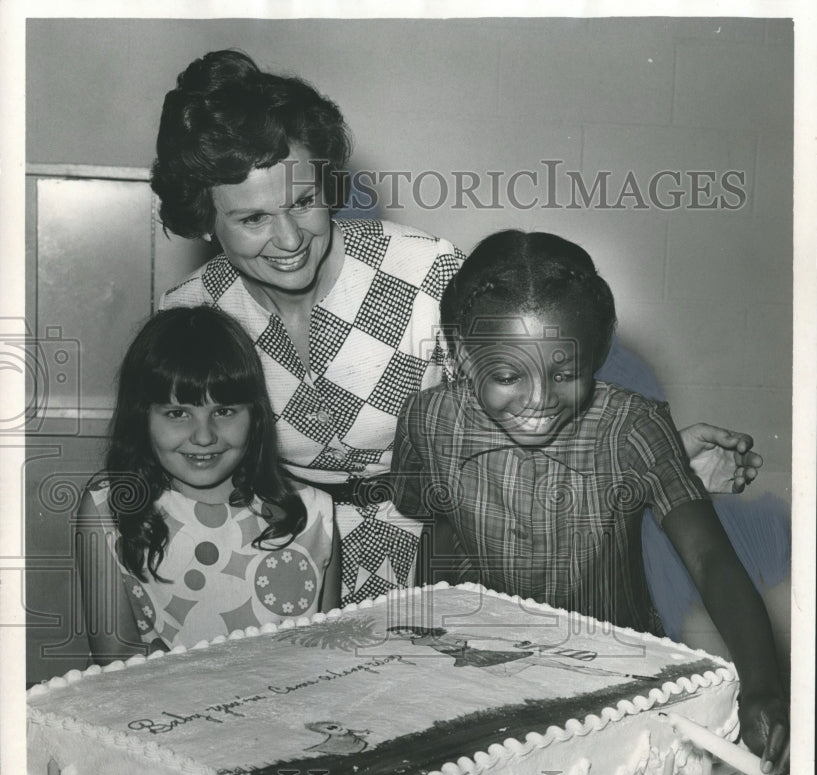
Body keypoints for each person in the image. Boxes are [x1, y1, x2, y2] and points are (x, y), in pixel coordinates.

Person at [152, 49, 762, 606]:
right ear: (205, 221)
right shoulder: (190, 316)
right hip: (276, 563)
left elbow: (530, 411)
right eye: (254, 218)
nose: (288, 240)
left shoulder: (427, 272)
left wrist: (662, 463)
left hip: (440, 556)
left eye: (304, 202)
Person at [390, 230, 789, 775]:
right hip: (483, 672)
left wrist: (764, 686)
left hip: (615, 680)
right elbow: (439, 529)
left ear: (597, 354)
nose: (539, 399)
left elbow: (710, 559)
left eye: (566, 373)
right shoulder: (427, 421)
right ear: (461, 354)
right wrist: (431, 636)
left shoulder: (635, 427)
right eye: (507, 376)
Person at [76, 306, 339, 664]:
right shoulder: (107, 510)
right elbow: (115, 656)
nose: (203, 436)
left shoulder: (312, 515)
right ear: (142, 416)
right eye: (177, 413)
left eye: (224, 411)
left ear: (255, 415)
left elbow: (326, 657)